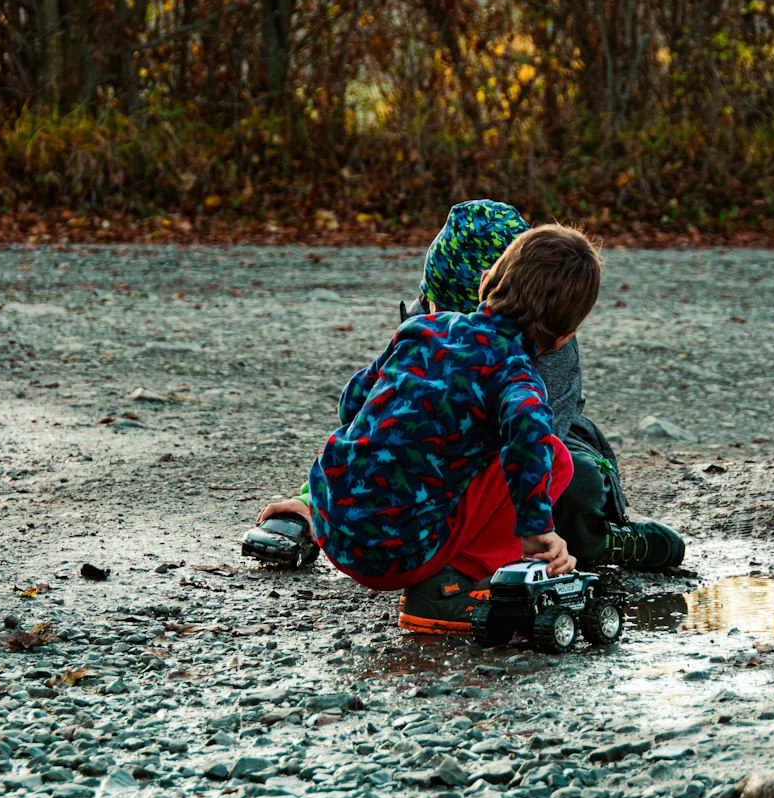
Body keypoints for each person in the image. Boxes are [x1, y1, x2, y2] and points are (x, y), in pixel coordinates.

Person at [257, 223, 598, 631]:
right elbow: (528, 443)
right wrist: (536, 532)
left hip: (332, 526)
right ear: (565, 337)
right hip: (397, 557)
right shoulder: (518, 381)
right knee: (555, 457)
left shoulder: (419, 330)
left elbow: (351, 405)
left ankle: (323, 510)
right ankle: (448, 590)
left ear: (485, 281)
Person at [402, 199, 685, 574]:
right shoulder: (425, 322)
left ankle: (601, 540)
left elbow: (535, 442)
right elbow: (368, 421)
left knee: (574, 477)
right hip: (445, 451)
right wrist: (315, 503)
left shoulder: (548, 339)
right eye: (443, 313)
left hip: (525, 444)